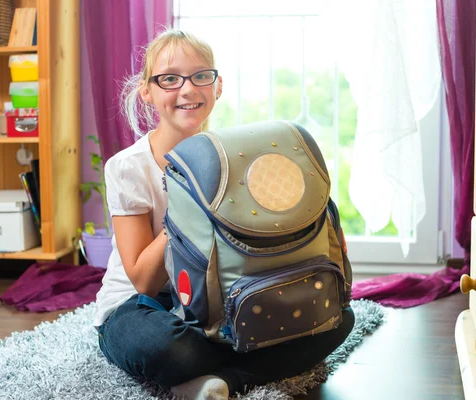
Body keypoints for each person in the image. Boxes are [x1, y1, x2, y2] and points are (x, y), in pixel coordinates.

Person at [94, 28, 355, 400]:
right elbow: (143, 282)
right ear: (147, 92)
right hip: (144, 305)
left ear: (217, 87)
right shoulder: (127, 167)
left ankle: (222, 381)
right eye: (170, 79)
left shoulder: (232, 156)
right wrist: (189, 205)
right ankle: (238, 363)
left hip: (217, 302)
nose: (188, 89)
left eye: (201, 75)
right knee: (170, 350)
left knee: (336, 321)